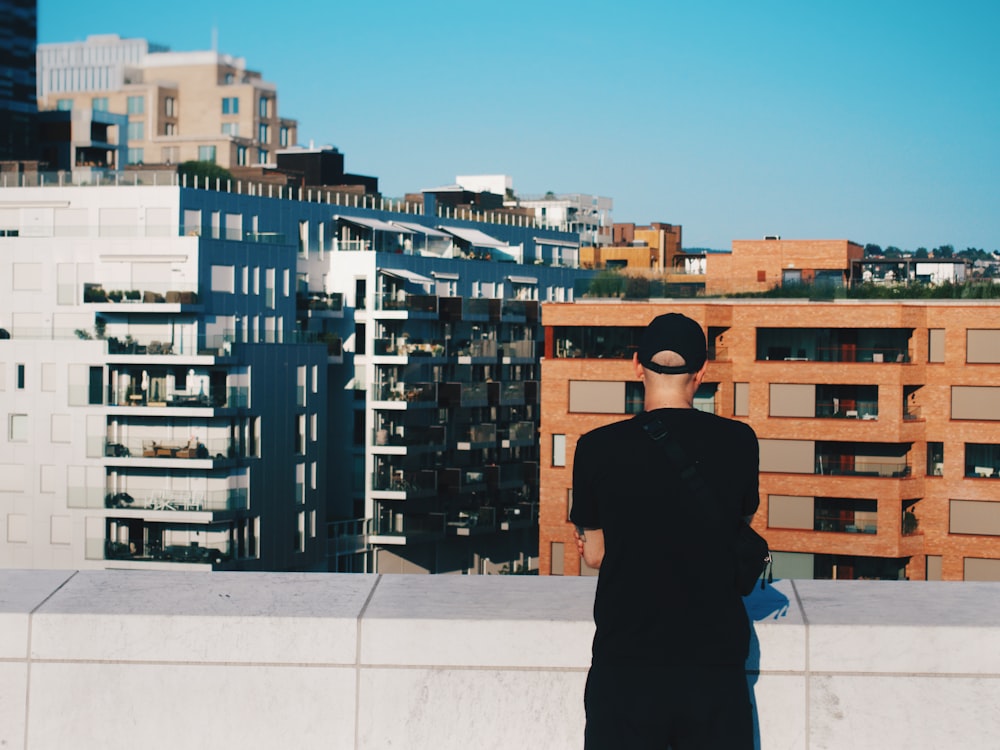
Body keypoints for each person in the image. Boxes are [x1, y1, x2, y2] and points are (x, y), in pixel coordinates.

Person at [570, 312, 760, 749]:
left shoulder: (596, 447)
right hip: (713, 664)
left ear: (637, 365)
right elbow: (734, 531)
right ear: (703, 371)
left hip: (626, 664)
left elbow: (596, 554)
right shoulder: (739, 442)